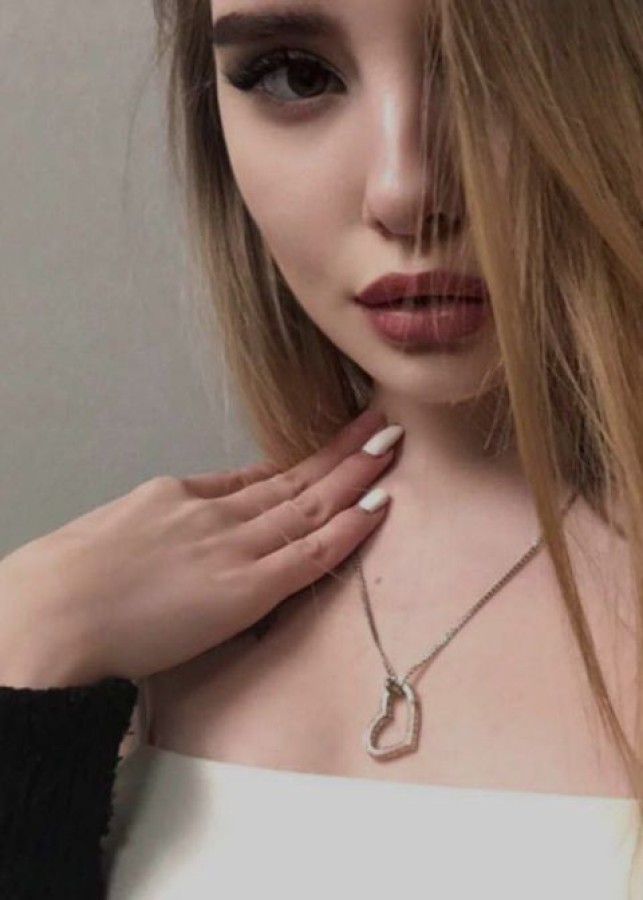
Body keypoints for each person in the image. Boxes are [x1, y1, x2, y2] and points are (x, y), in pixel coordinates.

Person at [1, 0, 643, 896]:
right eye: (295, 75)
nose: (404, 192)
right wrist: (25, 649)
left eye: (493, 72)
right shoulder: (130, 625)